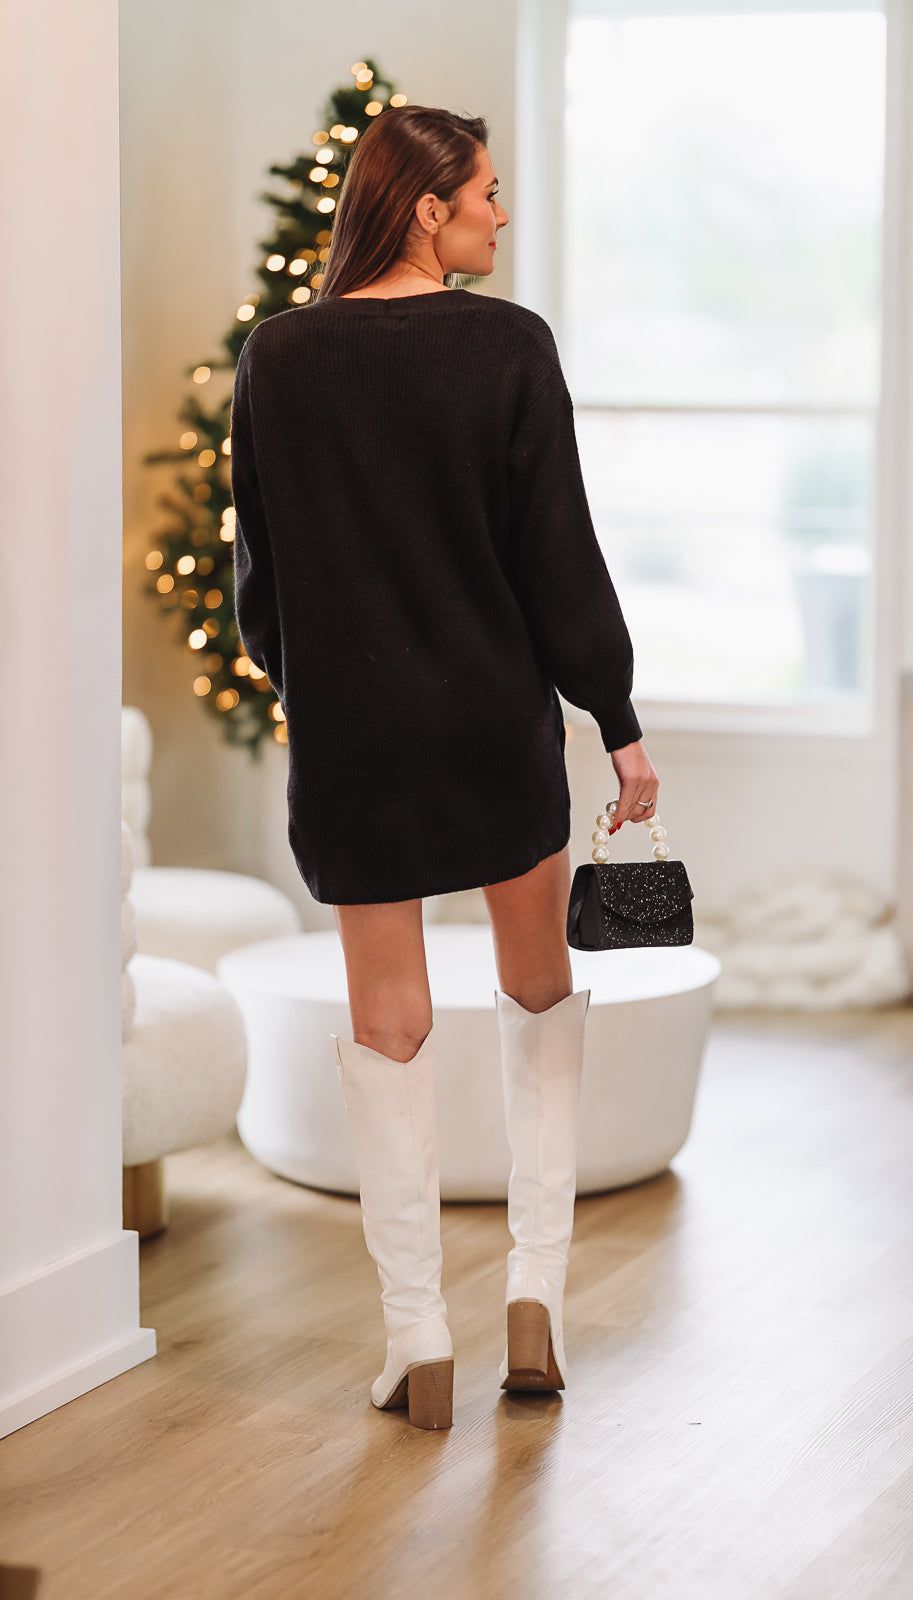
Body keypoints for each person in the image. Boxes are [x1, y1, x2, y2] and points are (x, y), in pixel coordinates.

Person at [229, 105, 659, 1431]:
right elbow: (558, 555)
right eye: (486, 191)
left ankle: (417, 1338)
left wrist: (320, 691)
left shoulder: (280, 356)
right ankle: (534, 1296)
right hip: (492, 725)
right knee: (539, 991)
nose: (500, 214)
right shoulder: (509, 346)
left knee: (389, 1022)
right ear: (427, 207)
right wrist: (615, 715)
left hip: (356, 742)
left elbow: (261, 588)